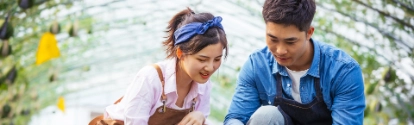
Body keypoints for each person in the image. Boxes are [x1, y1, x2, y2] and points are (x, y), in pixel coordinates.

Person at [224, 0, 365, 125]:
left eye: (290, 42)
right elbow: (236, 118)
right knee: (266, 116)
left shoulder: (343, 71)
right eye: (272, 39)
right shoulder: (257, 65)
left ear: (309, 32)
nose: (280, 50)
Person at [101, 7, 228, 125]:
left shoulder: (203, 86)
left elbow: (202, 117)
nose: (210, 68)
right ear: (180, 53)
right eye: (202, 59)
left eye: (217, 59)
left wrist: (200, 116)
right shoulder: (151, 78)